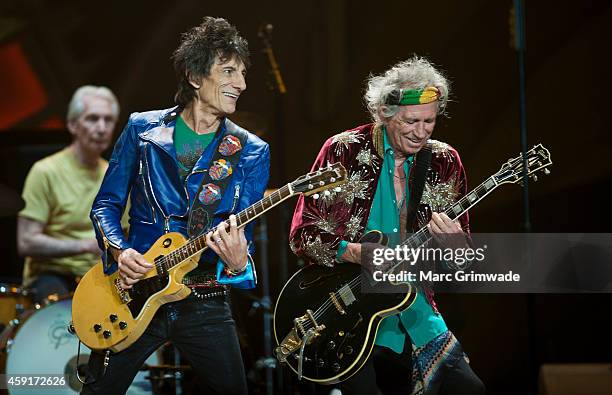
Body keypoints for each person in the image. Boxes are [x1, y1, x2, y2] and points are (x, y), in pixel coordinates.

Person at [83, 17, 270, 394]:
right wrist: (120, 252)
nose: (242, 84)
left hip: (204, 299)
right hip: (132, 291)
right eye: (229, 71)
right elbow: (105, 204)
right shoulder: (142, 130)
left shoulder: (251, 152)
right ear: (195, 76)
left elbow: (241, 242)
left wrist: (237, 263)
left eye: (244, 73)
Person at [289, 56, 485, 395]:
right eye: (411, 121)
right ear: (384, 113)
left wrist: (456, 247)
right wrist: (356, 253)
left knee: (469, 390)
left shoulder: (444, 160)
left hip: (413, 307)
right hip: (349, 313)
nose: (421, 132)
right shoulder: (343, 150)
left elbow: (461, 265)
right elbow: (302, 236)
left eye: (430, 121)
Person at [17, 86, 119, 303]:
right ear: (73, 125)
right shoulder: (45, 171)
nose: (101, 128)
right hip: (53, 274)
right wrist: (85, 245)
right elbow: (26, 241)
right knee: (63, 312)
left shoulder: (114, 175)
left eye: (108, 120)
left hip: (99, 274)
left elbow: (125, 233)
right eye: (92, 119)